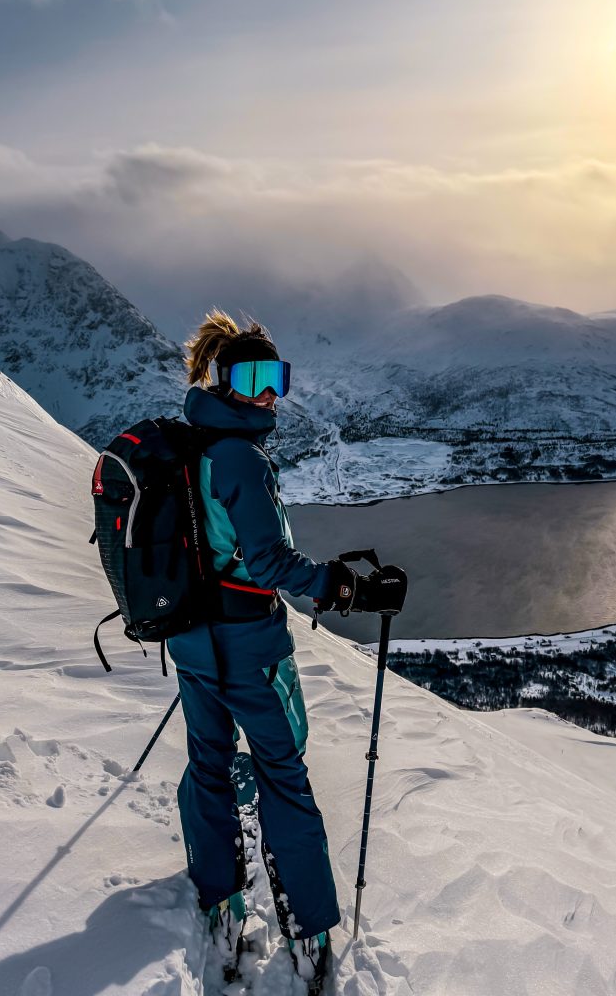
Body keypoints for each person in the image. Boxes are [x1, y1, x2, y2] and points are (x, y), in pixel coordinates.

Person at [167, 309, 358, 988]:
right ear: (225, 378)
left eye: (275, 377)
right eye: (253, 377)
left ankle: (220, 900)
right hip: (250, 643)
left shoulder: (192, 443)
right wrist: (330, 582)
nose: (268, 393)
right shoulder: (240, 456)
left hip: (191, 640)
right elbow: (269, 562)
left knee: (209, 764)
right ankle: (307, 928)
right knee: (282, 772)